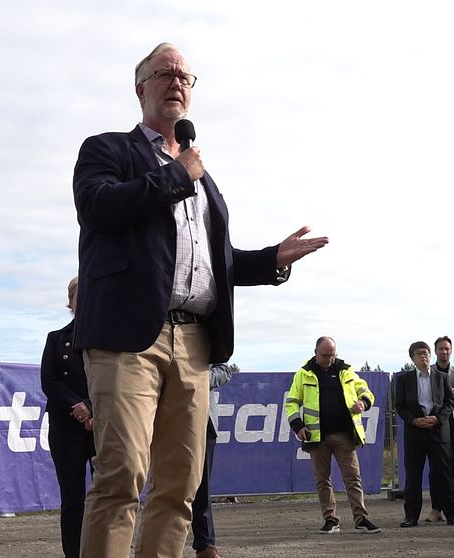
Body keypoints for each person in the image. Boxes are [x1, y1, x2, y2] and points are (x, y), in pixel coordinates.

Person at [72, 42, 328, 557]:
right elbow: (97, 207)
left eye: (187, 77)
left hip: (194, 342)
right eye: (164, 73)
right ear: (140, 87)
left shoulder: (202, 178)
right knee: (121, 475)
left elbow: (216, 261)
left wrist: (273, 257)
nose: (177, 82)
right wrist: (175, 173)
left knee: (180, 483)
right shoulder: (109, 150)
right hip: (128, 339)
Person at [284, 336, 381, 535]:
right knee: (323, 480)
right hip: (316, 437)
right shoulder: (303, 374)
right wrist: (298, 426)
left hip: (345, 435)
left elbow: (366, 391)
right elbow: (292, 402)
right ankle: (331, 520)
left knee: (353, 478)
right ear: (315, 353)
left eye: (332, 355)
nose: (329, 359)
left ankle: (361, 519)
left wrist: (363, 402)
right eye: (325, 355)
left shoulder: (346, 371)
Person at [40, 277, 95, 558]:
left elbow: (120, 381)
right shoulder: (56, 339)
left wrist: (92, 406)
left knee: (108, 496)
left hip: (104, 424)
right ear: (70, 301)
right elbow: (49, 381)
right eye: (77, 295)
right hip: (66, 427)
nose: (83, 300)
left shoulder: (112, 338)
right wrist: (78, 406)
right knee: (72, 499)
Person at [394, 341, 454, 528]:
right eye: (419, 354)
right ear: (412, 358)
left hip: (438, 432)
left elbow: (450, 402)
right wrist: (413, 420)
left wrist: (438, 419)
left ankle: (452, 514)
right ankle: (411, 516)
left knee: (444, 473)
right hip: (415, 433)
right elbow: (399, 406)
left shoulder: (441, 377)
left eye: (426, 353)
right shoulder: (403, 380)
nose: (424, 356)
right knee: (413, 475)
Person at [191, 362, 239, 558]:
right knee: (164, 487)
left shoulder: (208, 335)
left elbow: (225, 370)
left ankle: (205, 546)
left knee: (202, 488)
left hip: (204, 422)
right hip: (165, 418)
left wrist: (196, 379)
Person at [429, 335, 454, 523]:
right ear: (435, 351)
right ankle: (436, 508)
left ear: (451, 350)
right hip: (435, 423)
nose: (444, 351)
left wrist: (441, 393)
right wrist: (447, 393)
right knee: (436, 467)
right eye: (441, 348)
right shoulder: (428, 372)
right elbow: (429, 396)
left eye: (447, 348)